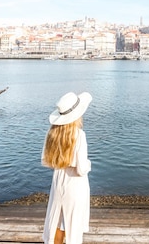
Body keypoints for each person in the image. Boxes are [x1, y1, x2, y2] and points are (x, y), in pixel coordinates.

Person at [41, 92, 92, 244]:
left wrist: (61, 161)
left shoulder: (51, 134)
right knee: (73, 227)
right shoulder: (79, 135)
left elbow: (45, 161)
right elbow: (82, 169)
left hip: (58, 184)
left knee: (57, 222)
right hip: (76, 186)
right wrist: (88, 164)